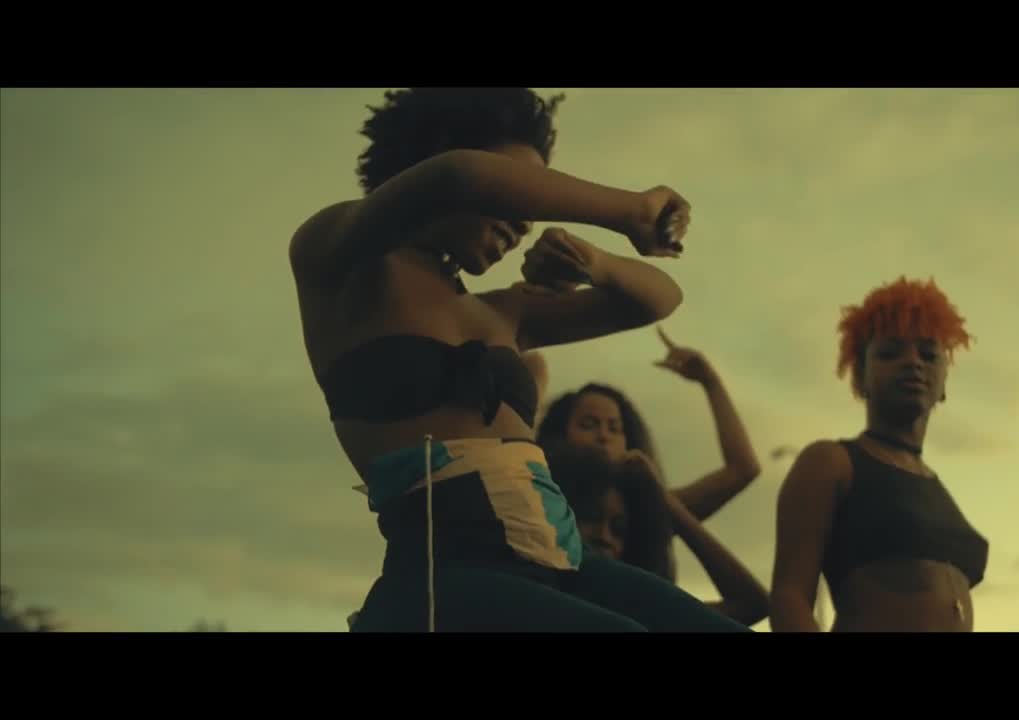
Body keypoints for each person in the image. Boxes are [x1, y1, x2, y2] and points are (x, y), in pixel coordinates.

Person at [288, 87, 747, 632]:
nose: (528, 219)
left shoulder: (503, 314)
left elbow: (658, 298)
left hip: (566, 563)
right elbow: (462, 176)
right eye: (521, 192)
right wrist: (628, 209)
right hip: (448, 572)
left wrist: (594, 262)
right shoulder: (337, 259)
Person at [770, 277, 988, 632]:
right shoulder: (831, 463)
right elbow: (789, 597)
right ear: (859, 377)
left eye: (929, 354)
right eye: (890, 352)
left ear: (944, 383)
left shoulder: (936, 488)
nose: (913, 363)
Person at [533, 328, 769, 626]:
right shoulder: (534, 501)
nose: (603, 436)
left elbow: (743, 470)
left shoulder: (644, 508)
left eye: (615, 428)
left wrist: (710, 382)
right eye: (589, 424)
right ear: (559, 436)